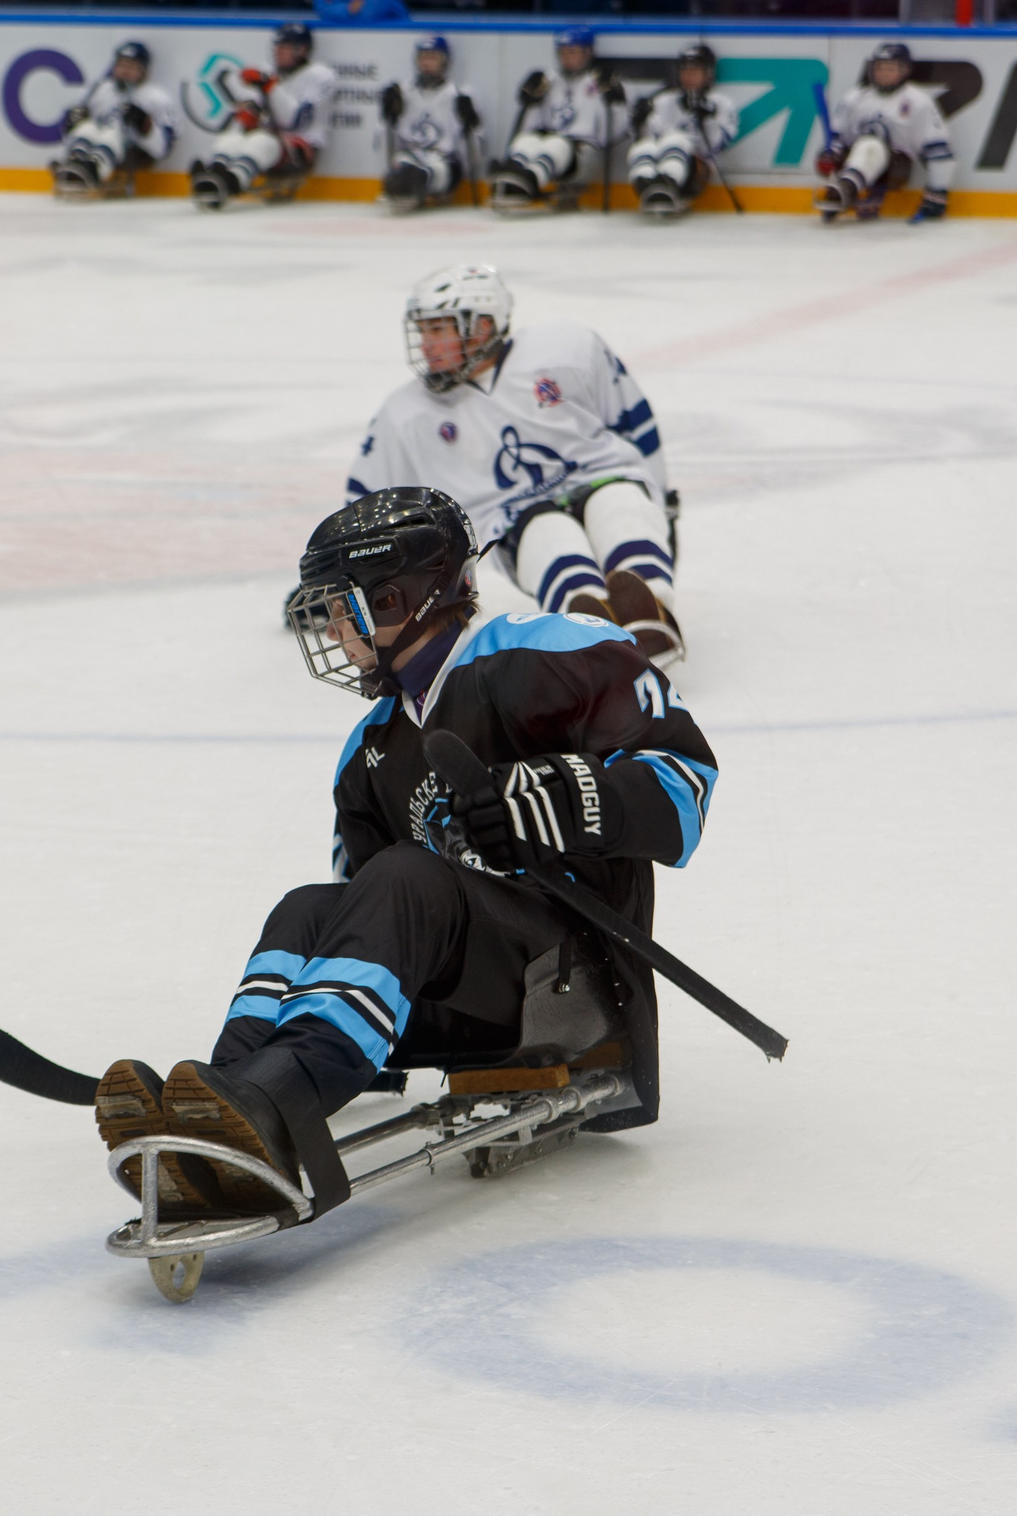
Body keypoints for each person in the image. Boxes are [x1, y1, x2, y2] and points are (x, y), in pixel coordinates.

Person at [92, 487, 717, 1221]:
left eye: (341, 608)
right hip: (471, 994)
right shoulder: (368, 752)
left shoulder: (550, 652)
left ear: (398, 599)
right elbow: (365, 922)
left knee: (406, 876)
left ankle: (281, 1097)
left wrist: (544, 794)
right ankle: (229, 1096)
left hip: (572, 987)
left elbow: (685, 785)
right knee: (309, 907)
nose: (331, 629)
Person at [344, 264, 686, 667]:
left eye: (438, 330)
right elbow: (366, 507)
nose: (425, 345)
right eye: (423, 332)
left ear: (482, 326)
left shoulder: (567, 349)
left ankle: (649, 606)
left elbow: (631, 422)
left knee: (621, 505)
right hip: (513, 518)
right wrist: (341, 587)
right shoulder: (405, 414)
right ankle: (588, 622)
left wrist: (658, 500)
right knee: (549, 536)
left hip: (603, 475)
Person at [190, 23, 339, 210]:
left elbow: (296, 121)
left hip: (301, 145)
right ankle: (214, 172)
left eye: (284, 47)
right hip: (270, 134)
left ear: (302, 50)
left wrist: (270, 87)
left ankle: (231, 182)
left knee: (261, 142)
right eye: (277, 46)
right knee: (232, 137)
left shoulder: (320, 76)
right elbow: (254, 105)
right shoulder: (268, 71)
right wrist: (249, 112)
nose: (278, 52)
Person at [489, 26, 625, 212]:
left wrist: (616, 102)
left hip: (584, 153)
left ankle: (528, 182)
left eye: (573, 52)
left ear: (588, 52)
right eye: (563, 52)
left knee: (557, 145)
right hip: (551, 141)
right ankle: (513, 173)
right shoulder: (549, 80)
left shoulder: (600, 81)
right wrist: (531, 101)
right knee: (526, 140)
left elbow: (615, 132)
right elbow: (530, 127)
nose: (567, 58)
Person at [817, 42, 954, 224]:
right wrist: (830, 154)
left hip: (896, 167)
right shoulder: (855, 97)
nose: (884, 73)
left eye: (891, 68)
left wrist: (938, 193)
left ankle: (846, 188)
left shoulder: (918, 102)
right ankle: (844, 187)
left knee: (872, 144)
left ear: (905, 71)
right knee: (862, 145)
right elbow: (838, 138)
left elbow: (939, 150)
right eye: (880, 68)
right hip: (855, 158)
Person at [51, 42, 179, 200]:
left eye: (131, 66)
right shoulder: (99, 89)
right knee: (87, 128)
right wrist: (71, 124)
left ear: (144, 70)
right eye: (121, 65)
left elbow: (164, 148)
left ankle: (93, 171)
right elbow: (72, 126)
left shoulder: (156, 97)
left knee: (113, 134)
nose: (125, 71)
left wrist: (146, 126)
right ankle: (74, 163)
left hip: (130, 148)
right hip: (98, 137)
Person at [627, 43, 738, 218]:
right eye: (685, 71)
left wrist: (706, 120)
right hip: (662, 159)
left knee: (675, 140)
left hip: (697, 173)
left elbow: (717, 145)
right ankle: (648, 187)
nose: (688, 76)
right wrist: (638, 123)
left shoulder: (720, 103)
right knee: (643, 147)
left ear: (708, 73)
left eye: (695, 71)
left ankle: (666, 185)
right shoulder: (664, 100)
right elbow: (647, 138)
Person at [379, 34, 482, 211]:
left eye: (433, 57)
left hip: (445, 160)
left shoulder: (461, 94)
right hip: (412, 155)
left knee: (428, 172)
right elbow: (382, 142)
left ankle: (414, 182)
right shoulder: (403, 92)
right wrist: (390, 116)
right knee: (402, 164)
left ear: (446, 62)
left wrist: (470, 123)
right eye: (423, 57)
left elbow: (478, 147)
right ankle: (403, 181)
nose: (427, 63)